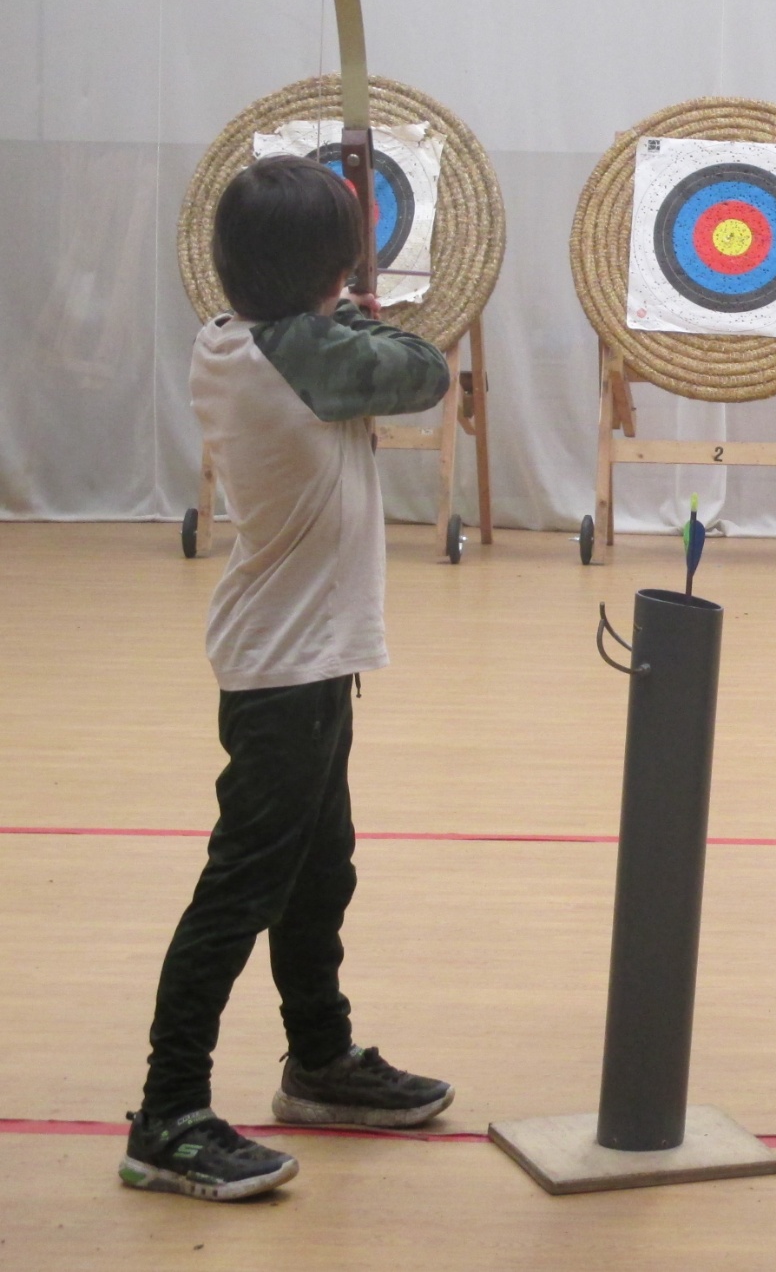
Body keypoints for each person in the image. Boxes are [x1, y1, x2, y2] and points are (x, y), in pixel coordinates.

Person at [119, 155, 457, 1201]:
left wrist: (334, 305)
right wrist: (354, 313)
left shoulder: (238, 337)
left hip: (305, 658)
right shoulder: (304, 356)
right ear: (326, 271)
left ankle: (319, 1059)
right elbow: (426, 372)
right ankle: (167, 1115)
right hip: (286, 670)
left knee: (319, 875)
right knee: (242, 890)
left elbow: (343, 350)